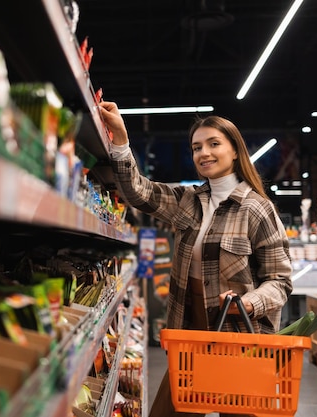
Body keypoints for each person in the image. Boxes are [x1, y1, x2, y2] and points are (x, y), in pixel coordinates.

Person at [99, 101, 293, 417]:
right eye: (196, 147)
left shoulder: (257, 209)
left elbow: (280, 281)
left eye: (214, 144)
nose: (204, 153)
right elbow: (138, 192)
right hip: (190, 335)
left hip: (239, 339)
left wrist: (249, 302)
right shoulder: (189, 201)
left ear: (235, 151)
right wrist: (121, 140)